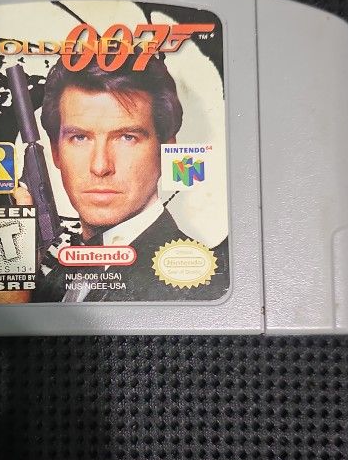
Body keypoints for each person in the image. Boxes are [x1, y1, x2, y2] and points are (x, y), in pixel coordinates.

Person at [15, 54, 227, 303]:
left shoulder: (202, 285)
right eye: (80, 138)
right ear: (55, 152)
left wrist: (7, 308)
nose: (100, 166)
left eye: (127, 138)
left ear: (166, 151)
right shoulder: (54, 277)